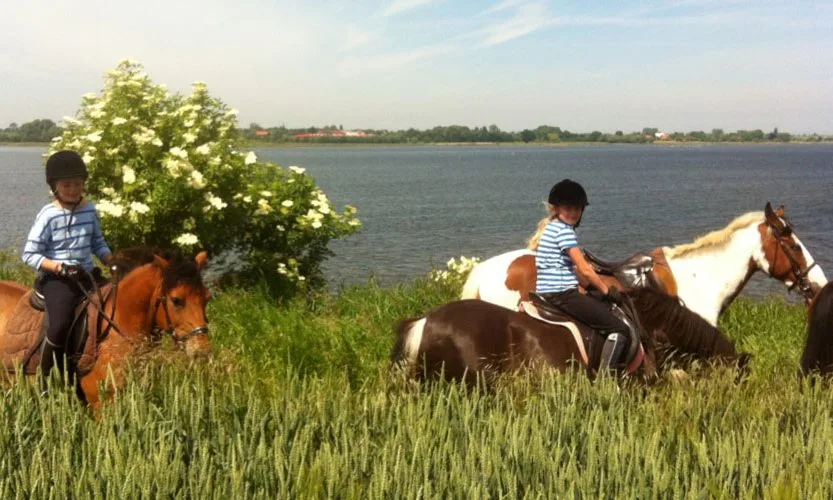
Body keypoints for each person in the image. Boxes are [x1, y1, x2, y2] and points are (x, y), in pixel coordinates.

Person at [22, 150, 113, 387]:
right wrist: (59, 268)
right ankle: (44, 380)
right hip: (58, 280)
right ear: (55, 187)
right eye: (67, 184)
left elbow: (97, 242)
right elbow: (29, 254)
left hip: (86, 275)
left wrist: (110, 259)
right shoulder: (49, 215)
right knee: (60, 323)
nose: (73, 189)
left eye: (77, 184)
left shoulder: (89, 210)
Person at [535, 179, 629, 374]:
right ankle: (606, 380)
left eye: (577, 209)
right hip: (562, 294)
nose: (572, 213)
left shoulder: (550, 228)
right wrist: (607, 291)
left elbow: (564, 267)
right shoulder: (564, 231)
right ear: (556, 209)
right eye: (567, 208)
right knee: (620, 329)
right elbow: (585, 269)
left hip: (547, 291)